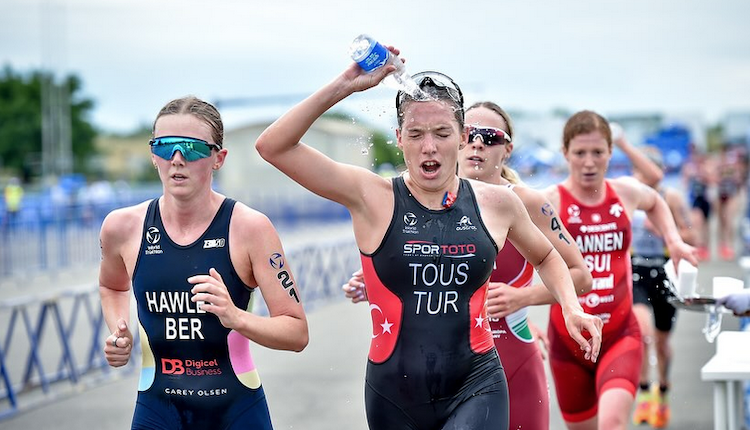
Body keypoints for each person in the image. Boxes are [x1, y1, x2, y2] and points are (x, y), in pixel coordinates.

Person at [255, 48, 603, 430]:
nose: (429, 147)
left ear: (464, 137)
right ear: (399, 138)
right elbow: (273, 146)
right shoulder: (371, 197)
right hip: (394, 394)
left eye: (442, 133)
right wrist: (345, 86)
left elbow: (548, 258)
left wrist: (570, 307)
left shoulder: (497, 203)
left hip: (478, 384)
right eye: (416, 134)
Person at [343, 100, 594, 430]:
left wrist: (523, 300)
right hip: (432, 369)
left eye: (490, 137)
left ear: (507, 149)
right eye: (472, 134)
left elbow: (581, 277)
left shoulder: (525, 202)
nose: (478, 143)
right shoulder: (423, 200)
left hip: (509, 358)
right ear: (459, 140)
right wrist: (377, 280)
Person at [99, 96, 308, 430]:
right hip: (157, 411)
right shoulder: (122, 227)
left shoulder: (250, 228)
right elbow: (111, 285)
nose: (177, 159)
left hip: (235, 412)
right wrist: (118, 331)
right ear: (154, 155)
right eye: (166, 147)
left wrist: (235, 316)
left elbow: (296, 332)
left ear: (218, 158)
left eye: (193, 148)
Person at [529, 110, 695, 430]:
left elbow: (656, 201)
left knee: (612, 423)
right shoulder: (550, 202)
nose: (589, 162)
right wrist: (520, 309)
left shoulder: (625, 192)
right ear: (565, 153)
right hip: (568, 340)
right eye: (579, 153)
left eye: (597, 152)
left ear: (610, 152)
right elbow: (518, 251)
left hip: (620, 333)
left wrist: (673, 241)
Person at [626, 145, 694, 428]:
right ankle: (644, 393)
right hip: (636, 270)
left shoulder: (671, 197)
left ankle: (662, 390)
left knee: (663, 341)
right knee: (642, 334)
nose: (641, 177)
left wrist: (667, 233)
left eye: (646, 171)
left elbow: (691, 234)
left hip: (664, 271)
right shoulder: (627, 197)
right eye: (638, 171)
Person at [681, 145, 713, 261]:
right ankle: (698, 247)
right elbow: (684, 183)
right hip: (694, 199)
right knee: (697, 223)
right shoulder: (689, 167)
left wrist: (703, 174)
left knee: (706, 225)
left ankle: (706, 247)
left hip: (705, 199)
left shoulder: (707, 167)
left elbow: (712, 181)